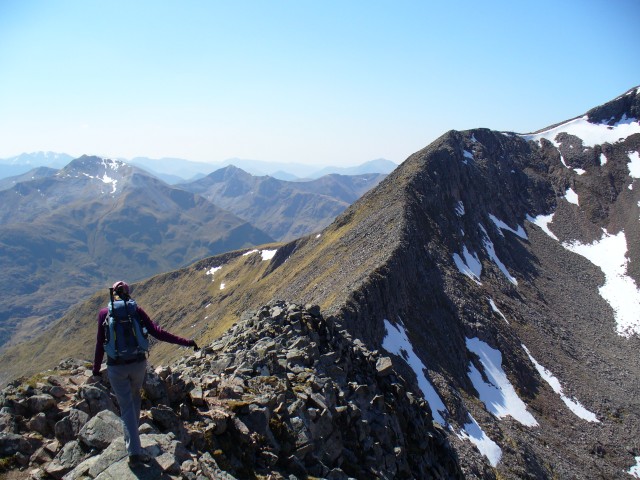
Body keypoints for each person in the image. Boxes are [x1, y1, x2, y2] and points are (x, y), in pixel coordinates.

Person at [91, 280, 199, 466]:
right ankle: (134, 442)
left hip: (116, 367)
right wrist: (186, 342)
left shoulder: (104, 313)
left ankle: (133, 452)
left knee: (126, 407)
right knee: (134, 401)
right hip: (138, 365)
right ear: (127, 293)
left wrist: (95, 370)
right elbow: (158, 332)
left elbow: (100, 342)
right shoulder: (136, 311)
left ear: (113, 294)